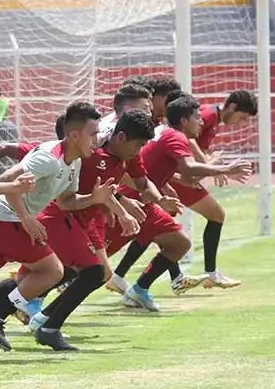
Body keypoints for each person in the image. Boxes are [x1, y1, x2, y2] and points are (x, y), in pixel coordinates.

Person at [0, 101, 107, 354]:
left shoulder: (75, 162)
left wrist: (95, 198)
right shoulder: (50, 159)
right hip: (6, 220)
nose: (98, 139)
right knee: (53, 271)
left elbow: (66, 201)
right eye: (93, 133)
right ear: (74, 135)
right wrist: (26, 217)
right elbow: (7, 179)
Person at [23, 109, 156, 350]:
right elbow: (91, 192)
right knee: (88, 272)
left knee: (88, 273)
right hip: (65, 214)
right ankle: (21, 317)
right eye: (137, 146)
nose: (138, 152)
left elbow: (112, 188)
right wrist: (121, 210)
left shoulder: (125, 150)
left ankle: (38, 319)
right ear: (121, 135)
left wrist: (127, 204)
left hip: (86, 217)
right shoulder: (94, 154)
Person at [104, 95, 252, 311]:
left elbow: (164, 169)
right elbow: (189, 168)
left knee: (179, 242)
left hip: (146, 200)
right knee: (92, 264)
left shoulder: (170, 135)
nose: (201, 122)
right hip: (131, 201)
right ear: (184, 121)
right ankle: (41, 297)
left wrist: (166, 186)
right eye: (197, 118)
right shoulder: (176, 137)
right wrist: (226, 169)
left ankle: (139, 289)